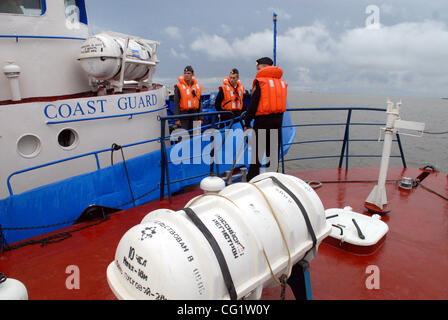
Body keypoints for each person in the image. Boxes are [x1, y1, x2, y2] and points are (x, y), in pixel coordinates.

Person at [244, 57, 288, 180]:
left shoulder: (260, 82)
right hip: (277, 121)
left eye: (259, 68)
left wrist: (247, 122)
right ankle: (273, 180)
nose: (257, 71)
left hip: (262, 122)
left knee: (257, 154)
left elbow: (253, 105)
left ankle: (251, 180)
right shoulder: (281, 83)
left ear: (264, 67)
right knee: (272, 154)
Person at [173, 65, 203, 132]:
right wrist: (176, 119)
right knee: (183, 135)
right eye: (185, 73)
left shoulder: (197, 87)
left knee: (196, 135)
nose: (186, 75)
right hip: (183, 115)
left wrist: (201, 118)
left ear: (193, 74)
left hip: (195, 114)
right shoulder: (179, 87)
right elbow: (176, 103)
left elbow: (200, 103)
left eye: (188, 73)